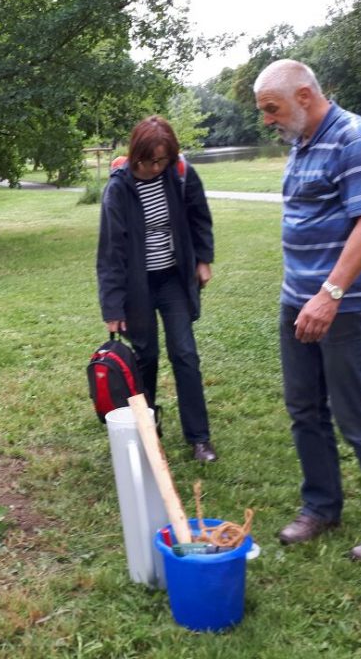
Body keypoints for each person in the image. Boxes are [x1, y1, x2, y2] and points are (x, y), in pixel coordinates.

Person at [254, 59, 361, 561]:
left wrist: (328, 295)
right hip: (297, 301)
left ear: (304, 95)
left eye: (273, 108)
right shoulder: (302, 142)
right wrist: (303, 295)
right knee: (305, 408)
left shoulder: (357, 137)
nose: (268, 119)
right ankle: (321, 507)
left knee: (356, 414)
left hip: (340, 307)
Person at [97, 116, 217, 462]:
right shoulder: (119, 189)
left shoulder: (179, 174)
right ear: (135, 154)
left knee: (185, 354)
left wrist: (203, 259)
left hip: (173, 280)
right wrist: (113, 308)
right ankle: (146, 430)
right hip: (137, 286)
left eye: (161, 160)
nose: (153, 167)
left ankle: (199, 439)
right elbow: (110, 252)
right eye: (148, 160)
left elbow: (200, 217)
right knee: (144, 357)